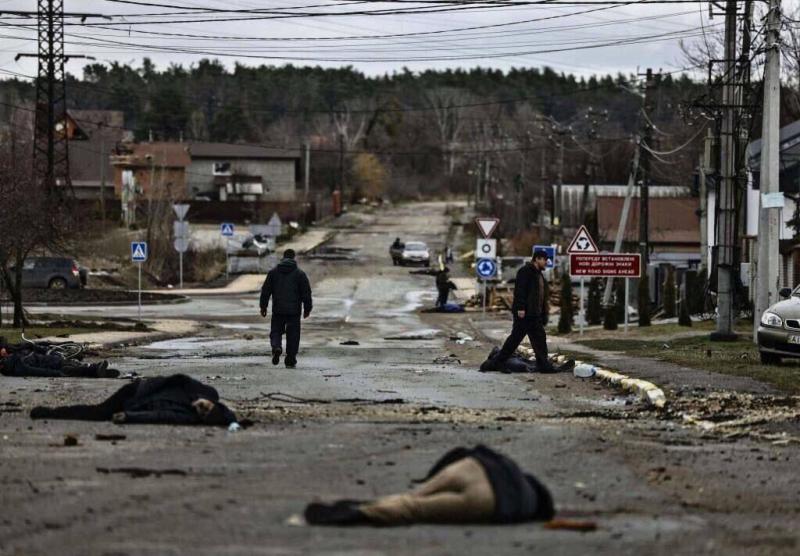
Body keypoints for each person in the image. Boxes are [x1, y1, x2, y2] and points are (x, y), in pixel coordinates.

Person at [304, 445, 554, 526]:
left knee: (415, 495)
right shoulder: (526, 505)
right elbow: (504, 515)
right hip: (489, 499)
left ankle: (383, 502)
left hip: (472, 467)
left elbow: (464, 451)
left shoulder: (513, 469)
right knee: (417, 509)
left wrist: (430, 478)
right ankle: (363, 512)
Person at [30, 374, 239, 426]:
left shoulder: (190, 417)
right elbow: (179, 378)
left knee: (98, 414)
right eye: (205, 408)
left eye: (202, 413)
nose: (199, 409)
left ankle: (48, 412)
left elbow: (160, 416)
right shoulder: (205, 391)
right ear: (211, 403)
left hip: (136, 404)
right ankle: (48, 412)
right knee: (99, 413)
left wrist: (129, 417)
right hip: (137, 392)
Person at [487, 249, 554, 373]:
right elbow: (520, 291)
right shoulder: (526, 271)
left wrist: (543, 313)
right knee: (515, 339)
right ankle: (498, 362)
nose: (546, 263)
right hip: (525, 314)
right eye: (545, 260)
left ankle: (543, 365)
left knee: (540, 339)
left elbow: (540, 296)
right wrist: (521, 308)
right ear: (538, 259)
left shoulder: (538, 274)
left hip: (535, 314)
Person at [260, 249, 313, 368]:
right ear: (294, 258)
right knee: (293, 335)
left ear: (283, 258)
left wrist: (263, 306)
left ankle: (277, 347)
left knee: (276, 331)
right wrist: (307, 309)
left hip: (278, 310)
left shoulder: (273, 273)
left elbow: (266, 291)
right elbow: (306, 293)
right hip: (294, 311)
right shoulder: (300, 274)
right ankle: (290, 359)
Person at [0, 348, 118, 378]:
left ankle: (96, 371)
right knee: (70, 369)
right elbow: (35, 371)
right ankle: (94, 369)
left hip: (51, 360)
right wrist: (55, 373)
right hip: (51, 366)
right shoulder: (15, 367)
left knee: (72, 364)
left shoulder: (13, 360)